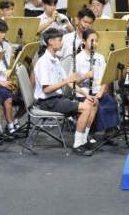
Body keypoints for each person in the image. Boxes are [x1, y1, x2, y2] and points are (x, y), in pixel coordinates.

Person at [34, 28, 97, 156]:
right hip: (48, 101)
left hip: (57, 98)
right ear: (50, 42)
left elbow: (69, 82)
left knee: (92, 103)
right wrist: (67, 80)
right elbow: (47, 89)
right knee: (85, 108)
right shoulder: (43, 62)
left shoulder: (56, 60)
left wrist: (86, 94)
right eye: (59, 40)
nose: (62, 43)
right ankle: (78, 144)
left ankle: (83, 140)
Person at [75, 29, 119, 140]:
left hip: (97, 92)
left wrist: (101, 91)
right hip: (84, 93)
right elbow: (73, 82)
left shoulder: (100, 57)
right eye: (92, 40)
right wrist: (85, 76)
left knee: (112, 103)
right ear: (84, 41)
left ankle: (108, 134)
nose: (94, 43)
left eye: (96, 41)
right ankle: (89, 134)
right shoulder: (78, 58)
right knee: (96, 106)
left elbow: (105, 78)